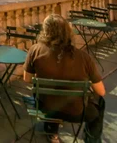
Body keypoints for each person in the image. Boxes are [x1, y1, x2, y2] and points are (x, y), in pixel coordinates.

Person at [23, 14, 105, 143]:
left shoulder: (35, 50)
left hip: (45, 109)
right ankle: (92, 140)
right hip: (76, 112)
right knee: (100, 102)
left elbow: (27, 79)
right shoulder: (83, 57)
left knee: (50, 96)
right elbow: (101, 91)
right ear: (68, 32)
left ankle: (51, 131)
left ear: (45, 31)